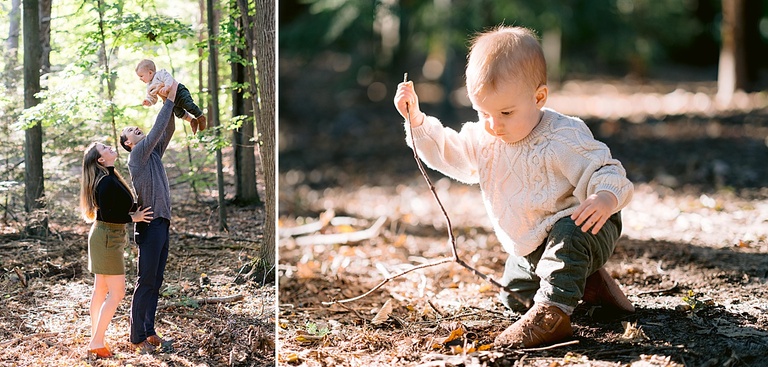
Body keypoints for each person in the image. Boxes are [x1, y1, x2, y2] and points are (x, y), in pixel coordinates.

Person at [393, 26, 635, 348]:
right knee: (515, 296)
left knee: (567, 236)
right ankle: (589, 284)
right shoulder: (485, 138)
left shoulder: (561, 136)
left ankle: (552, 316)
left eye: (506, 112)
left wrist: (604, 197)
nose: (494, 124)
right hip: (531, 243)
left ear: (538, 97)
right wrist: (418, 120)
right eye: (483, 113)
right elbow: (448, 151)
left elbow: (606, 169)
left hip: (589, 223)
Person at [120, 79, 179, 353]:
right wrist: (170, 97)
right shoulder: (138, 156)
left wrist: (171, 98)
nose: (135, 128)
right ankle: (136, 337)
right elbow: (157, 128)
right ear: (129, 144)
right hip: (149, 227)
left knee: (156, 280)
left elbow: (167, 129)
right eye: (130, 131)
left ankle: (150, 330)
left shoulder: (152, 153)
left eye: (134, 127)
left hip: (162, 223)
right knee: (145, 281)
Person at [79, 142, 153, 359]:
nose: (111, 147)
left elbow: (117, 206)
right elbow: (109, 214)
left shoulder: (110, 177)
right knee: (117, 292)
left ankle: (95, 337)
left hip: (107, 236)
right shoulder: (105, 182)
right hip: (107, 237)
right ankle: (96, 341)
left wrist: (133, 209)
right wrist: (134, 218)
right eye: (105, 147)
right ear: (100, 159)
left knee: (101, 290)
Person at [135, 58, 207, 134]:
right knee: (178, 113)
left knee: (188, 104)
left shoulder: (160, 74)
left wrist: (167, 86)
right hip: (171, 100)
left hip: (178, 92)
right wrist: (148, 101)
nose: (140, 79)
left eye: (141, 76)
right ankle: (192, 120)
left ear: (150, 72)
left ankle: (200, 116)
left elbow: (168, 78)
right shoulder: (149, 86)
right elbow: (152, 98)